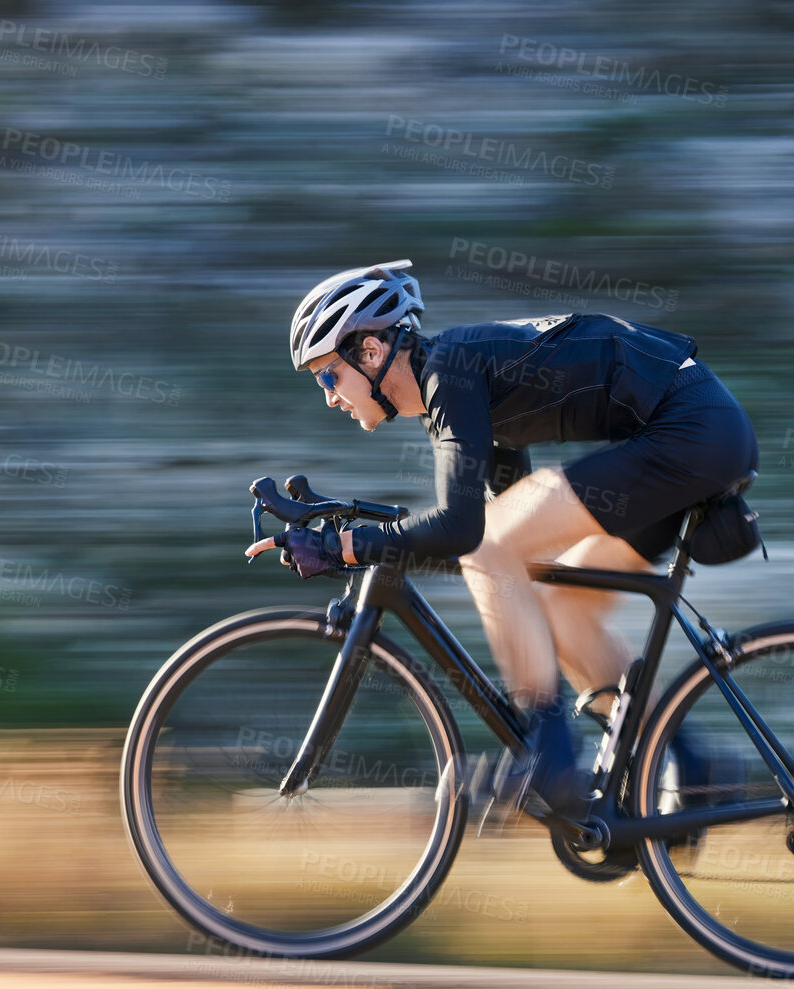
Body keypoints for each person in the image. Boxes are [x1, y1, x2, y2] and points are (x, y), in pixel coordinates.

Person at [245, 259, 759, 826]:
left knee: (490, 547)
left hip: (688, 431)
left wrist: (347, 545)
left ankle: (552, 755)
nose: (329, 398)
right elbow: (493, 507)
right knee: (563, 606)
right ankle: (688, 765)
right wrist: (353, 530)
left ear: (370, 353)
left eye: (327, 378)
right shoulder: (458, 383)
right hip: (697, 434)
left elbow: (465, 531)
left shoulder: (449, 370)